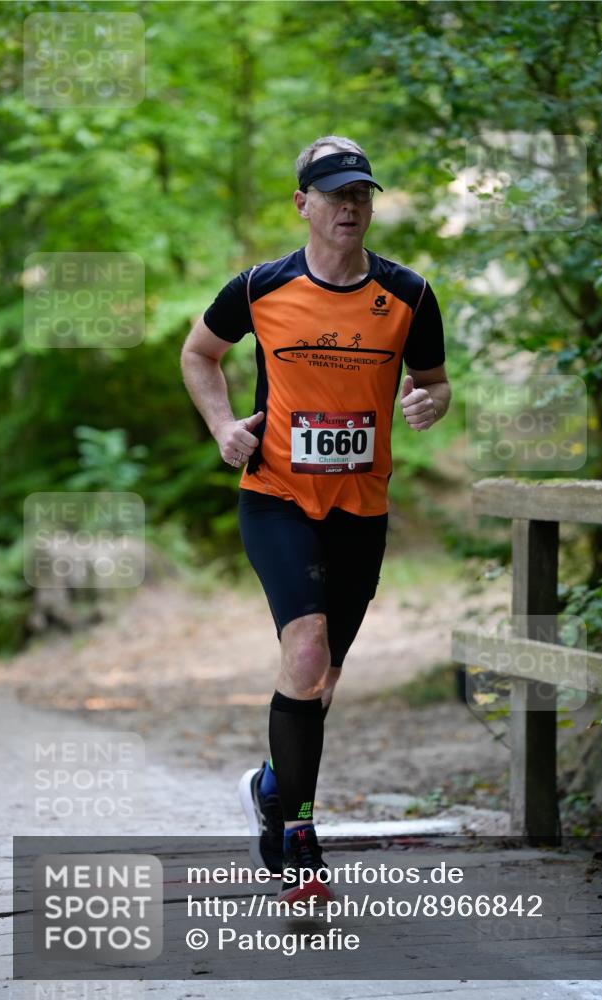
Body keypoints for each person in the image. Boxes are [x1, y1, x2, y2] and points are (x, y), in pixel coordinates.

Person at [181, 135, 451, 904]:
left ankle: (271, 784)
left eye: (361, 193)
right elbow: (199, 355)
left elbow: (433, 384)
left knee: (321, 680)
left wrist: (434, 400)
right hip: (276, 498)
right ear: (303, 204)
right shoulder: (260, 286)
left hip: (361, 510)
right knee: (304, 653)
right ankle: (297, 833)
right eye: (335, 194)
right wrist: (222, 426)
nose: (351, 207)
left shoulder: (410, 295)